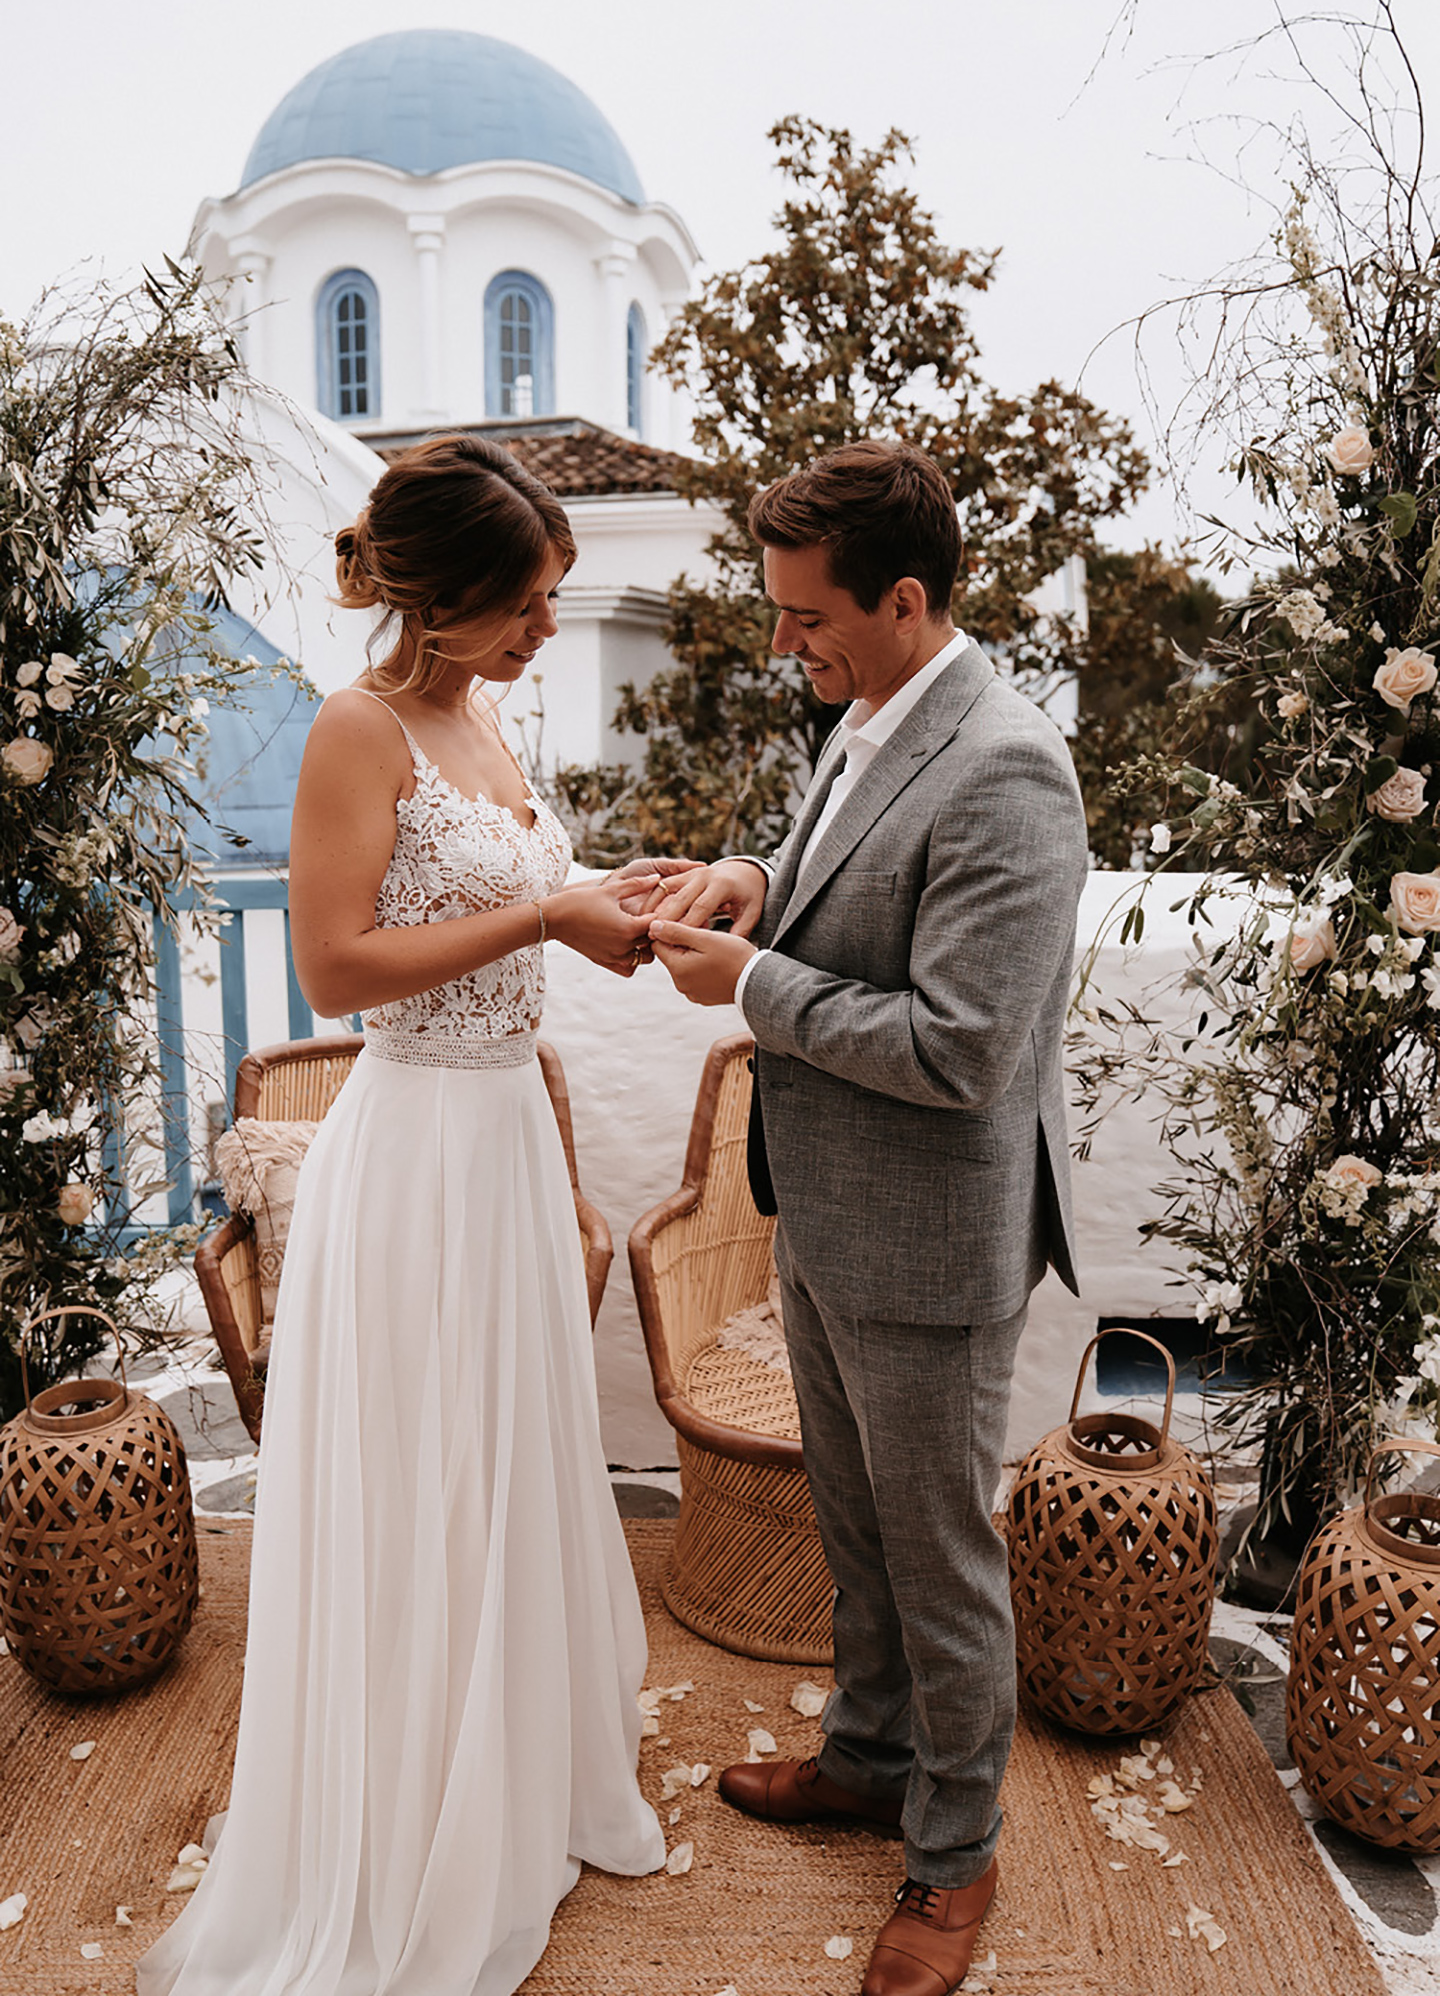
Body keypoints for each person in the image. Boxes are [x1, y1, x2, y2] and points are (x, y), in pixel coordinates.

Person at [137, 435, 682, 1996]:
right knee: (420, 1471)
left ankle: (508, 1787)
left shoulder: (485, 719)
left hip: (507, 1135)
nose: (546, 633)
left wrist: (604, 895)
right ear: (437, 603)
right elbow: (337, 970)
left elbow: (507, 908)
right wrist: (549, 914)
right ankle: (402, 1831)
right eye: (526, 604)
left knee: (504, 1457)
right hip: (418, 1147)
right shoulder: (355, 729)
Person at [644, 440, 1088, 1996]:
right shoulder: (875, 710)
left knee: (940, 1557)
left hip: (932, 1243)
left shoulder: (1013, 763)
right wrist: (760, 878)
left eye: (804, 615)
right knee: (857, 1535)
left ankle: (953, 1859)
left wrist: (755, 993)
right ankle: (866, 1755)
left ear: (905, 601)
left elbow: (967, 1049)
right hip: (825, 1218)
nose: (784, 642)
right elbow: (850, 867)